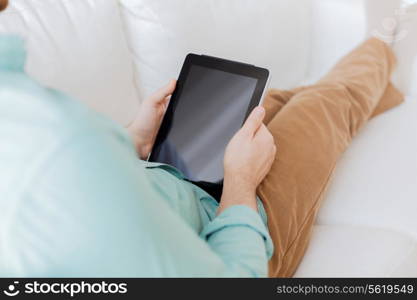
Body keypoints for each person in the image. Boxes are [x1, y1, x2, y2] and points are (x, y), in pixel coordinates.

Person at [0, 0, 410, 277]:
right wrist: (240, 183)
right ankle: (386, 42)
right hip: (239, 230)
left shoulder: (37, 125)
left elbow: (82, 200)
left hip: (174, 177)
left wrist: (129, 142)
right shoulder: (58, 139)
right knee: (327, 104)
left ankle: (373, 86)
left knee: (271, 102)